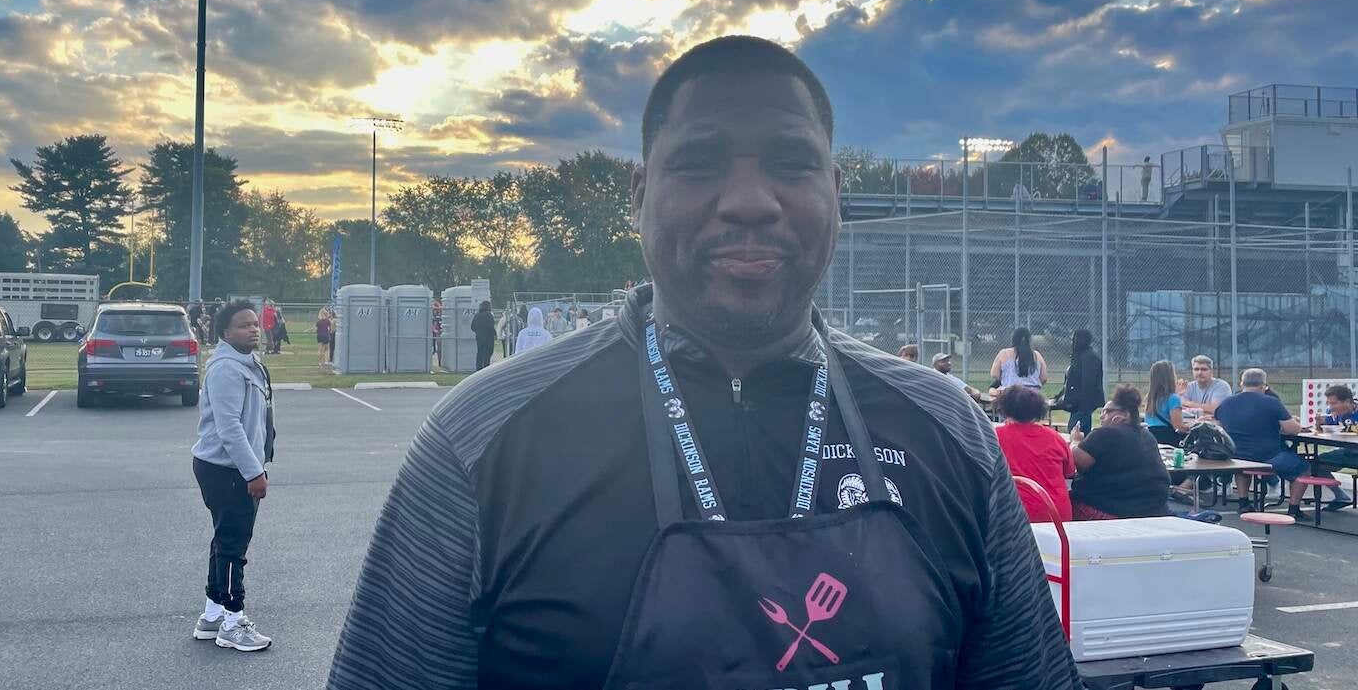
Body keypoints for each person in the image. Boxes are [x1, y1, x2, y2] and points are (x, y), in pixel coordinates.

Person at [328, 35, 1076, 689]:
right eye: (698, 162)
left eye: (791, 162)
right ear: (640, 193)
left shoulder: (947, 428)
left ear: (835, 196)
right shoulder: (483, 442)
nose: (750, 200)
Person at [190, 300, 275, 652]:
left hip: (236, 466)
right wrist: (254, 472)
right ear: (225, 332)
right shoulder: (226, 368)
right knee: (233, 545)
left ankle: (212, 615)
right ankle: (232, 620)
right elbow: (229, 428)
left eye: (255, 324)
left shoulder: (248, 362)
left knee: (224, 540)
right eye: (243, 325)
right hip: (227, 469)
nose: (253, 329)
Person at [1215, 368, 1321, 519]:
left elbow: (1219, 428)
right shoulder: (1271, 402)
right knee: (1303, 468)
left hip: (1236, 456)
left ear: (1241, 384)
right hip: (1268, 457)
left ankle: (1244, 503)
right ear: (1264, 385)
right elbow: (1292, 430)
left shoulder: (1226, 403)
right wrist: (1296, 423)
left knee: (1242, 468)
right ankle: (1294, 508)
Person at [1069, 384, 1172, 520]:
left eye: (1107, 411)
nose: (1101, 416)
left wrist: (1074, 442)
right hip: (1154, 509)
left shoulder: (1104, 434)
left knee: (1063, 502)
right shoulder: (1147, 436)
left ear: (1125, 414)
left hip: (1112, 508)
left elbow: (1079, 463)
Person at [995, 386, 1074, 523]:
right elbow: (1069, 471)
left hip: (1015, 513)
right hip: (1056, 512)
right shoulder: (1055, 438)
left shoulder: (995, 437)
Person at [1052, 329, 1103, 435]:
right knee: (1082, 433)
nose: (1073, 342)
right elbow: (1071, 381)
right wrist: (1059, 396)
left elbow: (1088, 385)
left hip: (1083, 405)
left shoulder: (1090, 358)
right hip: (1076, 404)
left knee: (1073, 430)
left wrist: (1083, 409)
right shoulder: (1079, 357)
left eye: (1075, 339)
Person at [1142, 359, 1187, 447]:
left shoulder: (1149, 398)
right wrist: (1194, 426)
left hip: (1150, 437)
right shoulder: (1174, 398)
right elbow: (1178, 427)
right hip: (1167, 438)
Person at [471, 300, 497, 371]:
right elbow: (491, 326)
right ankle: (486, 368)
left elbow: (472, 327)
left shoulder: (477, 315)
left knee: (480, 353)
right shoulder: (489, 315)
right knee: (488, 354)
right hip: (488, 338)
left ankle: (478, 368)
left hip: (479, 337)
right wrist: (495, 334)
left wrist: (478, 332)